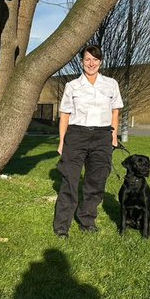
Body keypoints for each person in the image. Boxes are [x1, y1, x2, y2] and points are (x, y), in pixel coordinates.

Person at [53, 44, 123, 238]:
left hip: (102, 136)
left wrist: (113, 136)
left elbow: (115, 111)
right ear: (82, 61)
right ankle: (61, 227)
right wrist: (61, 142)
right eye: (87, 59)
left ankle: (87, 220)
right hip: (76, 136)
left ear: (100, 62)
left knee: (97, 180)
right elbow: (65, 115)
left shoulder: (111, 84)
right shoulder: (73, 86)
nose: (91, 63)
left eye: (95, 59)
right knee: (70, 180)